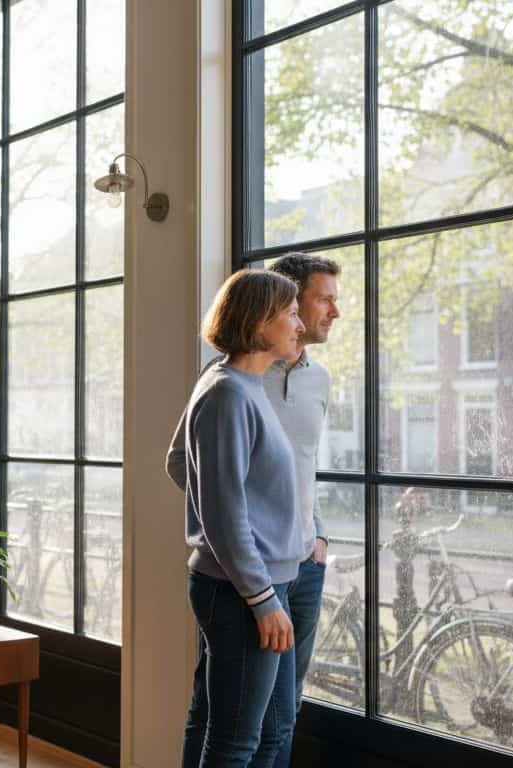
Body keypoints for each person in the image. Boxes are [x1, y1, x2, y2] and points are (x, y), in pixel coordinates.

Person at [168, 254, 342, 767]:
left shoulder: (311, 381)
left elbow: (298, 474)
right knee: (232, 734)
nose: (325, 313)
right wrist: (241, 534)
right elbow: (205, 484)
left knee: (266, 723)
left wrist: (312, 532)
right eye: (314, 302)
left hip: (293, 568)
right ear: (265, 313)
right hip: (250, 580)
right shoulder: (228, 387)